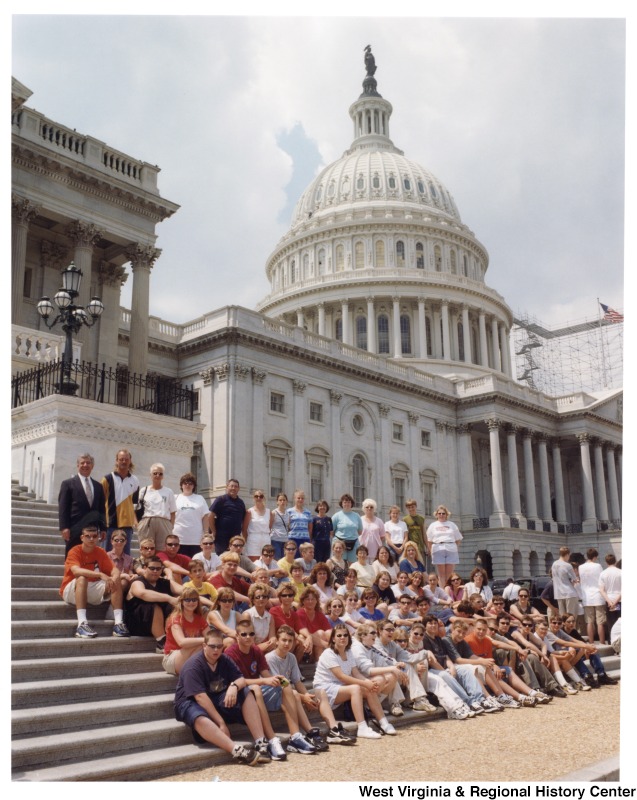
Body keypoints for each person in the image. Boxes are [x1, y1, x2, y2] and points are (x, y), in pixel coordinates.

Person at [173, 627, 269, 767]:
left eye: (219, 646)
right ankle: (237, 750)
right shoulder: (193, 666)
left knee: (245, 691)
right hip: (190, 701)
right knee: (197, 715)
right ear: (204, 646)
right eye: (212, 646)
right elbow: (200, 697)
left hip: (214, 698)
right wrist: (221, 723)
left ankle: (261, 743)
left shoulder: (224, 659)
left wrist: (234, 686)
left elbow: (241, 679)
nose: (216, 650)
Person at [225, 619, 309, 760]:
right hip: (238, 693)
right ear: (237, 636)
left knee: (285, 683)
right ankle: (271, 739)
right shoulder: (230, 653)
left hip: (255, 688)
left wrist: (277, 681)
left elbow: (266, 675)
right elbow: (237, 682)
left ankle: (295, 736)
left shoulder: (256, 650)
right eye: (244, 634)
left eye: (251, 634)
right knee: (257, 688)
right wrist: (264, 681)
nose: (248, 637)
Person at [264, 625, 338, 749]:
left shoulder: (291, 657)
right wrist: (304, 698)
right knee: (295, 694)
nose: (287, 644)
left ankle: (321, 730)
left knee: (316, 693)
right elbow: (280, 683)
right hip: (271, 694)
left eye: (290, 641)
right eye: (284, 640)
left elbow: (297, 682)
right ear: (277, 641)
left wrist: (307, 696)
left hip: (285, 693)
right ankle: (308, 732)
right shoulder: (270, 658)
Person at [312, 624, 391, 739]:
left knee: (368, 688)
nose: (342, 637)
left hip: (341, 687)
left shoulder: (349, 652)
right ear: (333, 639)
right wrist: (364, 683)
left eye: (345, 635)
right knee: (356, 688)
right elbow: (341, 677)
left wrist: (368, 683)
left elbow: (356, 673)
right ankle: (362, 727)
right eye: (339, 635)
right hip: (325, 688)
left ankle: (383, 722)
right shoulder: (328, 653)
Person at [60, 524, 129, 639]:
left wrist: (115, 577)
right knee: (82, 578)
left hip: (93, 587)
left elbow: (114, 570)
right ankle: (82, 624)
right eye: (88, 536)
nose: (91, 539)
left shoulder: (100, 551)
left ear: (98, 538)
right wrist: (100, 574)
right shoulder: (74, 551)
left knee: (118, 580)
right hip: (71, 589)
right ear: (82, 537)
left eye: (94, 536)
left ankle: (118, 623)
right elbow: (76, 571)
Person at [373, 620, 438, 714]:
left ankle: (419, 699)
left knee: (407, 666)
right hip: (379, 678)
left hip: (392, 676)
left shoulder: (393, 645)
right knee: (393, 671)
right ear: (380, 630)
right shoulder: (375, 643)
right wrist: (396, 664)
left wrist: (426, 652)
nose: (391, 632)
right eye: (388, 630)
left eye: (392, 630)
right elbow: (384, 659)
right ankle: (395, 704)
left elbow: (408, 657)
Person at [125, 556, 183, 651]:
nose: (155, 571)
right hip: (137, 624)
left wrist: (210, 603)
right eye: (152, 568)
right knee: (153, 606)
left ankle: (177, 636)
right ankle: (161, 642)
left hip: (158, 623)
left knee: (179, 604)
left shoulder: (165, 583)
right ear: (144, 568)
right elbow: (142, 593)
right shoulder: (138, 582)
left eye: (158, 568)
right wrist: (168, 598)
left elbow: (186, 591)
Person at [58, 453, 106, 555]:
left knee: (90, 559)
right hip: (74, 530)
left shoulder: (98, 486)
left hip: (92, 531)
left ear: (92, 466)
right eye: (82, 463)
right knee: (73, 557)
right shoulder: (68, 484)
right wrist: (64, 527)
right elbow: (63, 508)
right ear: (78, 465)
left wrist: (103, 528)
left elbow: (102, 509)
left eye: (88, 463)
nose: (85, 465)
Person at [350, 624, 401, 718]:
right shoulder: (357, 648)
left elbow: (384, 658)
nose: (375, 636)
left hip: (365, 679)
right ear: (363, 636)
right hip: (355, 682)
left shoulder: (369, 646)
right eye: (372, 633)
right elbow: (368, 670)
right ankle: (371, 707)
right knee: (381, 678)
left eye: (376, 633)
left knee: (392, 676)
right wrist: (391, 668)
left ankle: (370, 707)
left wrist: (395, 665)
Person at [162, 587, 209, 676]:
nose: (191, 602)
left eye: (194, 599)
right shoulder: (175, 618)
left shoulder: (200, 619)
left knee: (209, 646)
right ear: (182, 602)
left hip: (190, 656)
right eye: (187, 599)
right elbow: (182, 642)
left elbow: (211, 638)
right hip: (172, 658)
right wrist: (205, 640)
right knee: (201, 645)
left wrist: (208, 640)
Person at [101, 448, 139, 555]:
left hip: (127, 525)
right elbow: (100, 503)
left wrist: (135, 522)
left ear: (130, 461)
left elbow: (134, 504)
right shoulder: (107, 479)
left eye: (126, 459)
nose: (124, 461)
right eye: (121, 459)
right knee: (107, 556)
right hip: (110, 524)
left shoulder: (135, 480)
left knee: (125, 557)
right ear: (117, 461)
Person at [136, 463, 177, 552]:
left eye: (160, 473)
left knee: (162, 551)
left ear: (163, 476)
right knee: (146, 550)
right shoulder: (144, 490)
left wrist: (171, 526)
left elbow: (173, 512)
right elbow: (137, 509)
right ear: (150, 475)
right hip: (147, 521)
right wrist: (137, 525)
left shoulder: (168, 491)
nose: (157, 475)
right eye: (155, 473)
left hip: (163, 522)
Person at [269, 583, 313, 662]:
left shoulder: (293, 613)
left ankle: (294, 666)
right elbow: (286, 628)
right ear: (280, 597)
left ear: (293, 597)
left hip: (289, 642)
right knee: (294, 638)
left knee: (303, 637)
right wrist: (301, 640)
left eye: (290, 595)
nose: (287, 597)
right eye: (284, 595)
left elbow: (301, 628)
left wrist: (309, 637)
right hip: (277, 642)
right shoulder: (274, 610)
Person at [173, 472, 210, 558]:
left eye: (190, 483)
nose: (188, 485)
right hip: (179, 538)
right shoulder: (175, 498)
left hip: (196, 539)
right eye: (185, 483)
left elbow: (205, 516)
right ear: (181, 485)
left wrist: (206, 532)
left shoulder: (200, 498)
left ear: (194, 486)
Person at [426, 505, 463, 585]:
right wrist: (431, 551)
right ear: (436, 515)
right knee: (441, 575)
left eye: (443, 513)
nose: (441, 515)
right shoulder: (433, 525)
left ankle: (449, 591)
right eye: (439, 513)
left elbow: (458, 539)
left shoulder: (452, 525)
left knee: (449, 575)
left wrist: (455, 547)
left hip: (451, 548)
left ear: (446, 515)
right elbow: (429, 541)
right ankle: (443, 592)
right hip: (438, 548)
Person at [209, 479, 247, 557]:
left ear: (238, 489)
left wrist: (243, 536)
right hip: (221, 537)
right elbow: (210, 516)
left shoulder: (241, 502)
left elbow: (243, 520)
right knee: (222, 558)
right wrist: (214, 531)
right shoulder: (221, 499)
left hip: (235, 538)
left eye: (236, 486)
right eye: (231, 486)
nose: (233, 488)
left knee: (235, 558)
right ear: (227, 487)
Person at [578, 548, 606, 645]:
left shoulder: (580, 567)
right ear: (595, 557)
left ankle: (591, 642)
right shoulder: (598, 566)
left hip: (586, 596)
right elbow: (602, 579)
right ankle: (602, 642)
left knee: (589, 622)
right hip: (598, 595)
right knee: (600, 622)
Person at [296, 585, 332, 660]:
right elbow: (303, 633)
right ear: (303, 601)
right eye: (307, 599)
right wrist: (327, 645)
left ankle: (319, 664)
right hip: (304, 648)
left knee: (325, 633)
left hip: (316, 648)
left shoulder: (320, 615)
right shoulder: (299, 613)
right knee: (305, 636)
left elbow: (329, 630)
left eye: (313, 599)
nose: (310, 601)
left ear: (316, 601)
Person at [242, 582, 276, 653]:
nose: (261, 599)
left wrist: (272, 641)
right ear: (253, 600)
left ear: (267, 599)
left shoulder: (270, 617)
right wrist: (263, 647)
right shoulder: (247, 615)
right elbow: (247, 639)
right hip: (249, 648)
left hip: (265, 646)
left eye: (264, 597)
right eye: (258, 597)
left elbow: (272, 636)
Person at [331, 494, 363, 564]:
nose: (347, 504)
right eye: (345, 502)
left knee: (353, 564)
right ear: (341, 504)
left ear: (351, 504)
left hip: (354, 543)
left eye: (349, 502)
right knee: (339, 563)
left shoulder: (357, 516)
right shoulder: (336, 516)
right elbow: (331, 532)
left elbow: (360, 531)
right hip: (340, 543)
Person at [242, 489, 274, 560]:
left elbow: (269, 527)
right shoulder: (249, 512)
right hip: (253, 538)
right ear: (253, 498)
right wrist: (247, 540)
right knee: (253, 560)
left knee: (266, 559)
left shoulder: (269, 512)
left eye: (261, 496)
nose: (258, 498)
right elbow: (244, 529)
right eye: (256, 496)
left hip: (266, 538)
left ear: (263, 498)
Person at [551, 546, 580, 617]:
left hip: (559, 593)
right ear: (567, 555)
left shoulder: (554, 564)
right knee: (571, 617)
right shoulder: (568, 565)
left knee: (563, 617)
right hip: (570, 593)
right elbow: (575, 579)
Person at [106, 529, 135, 593]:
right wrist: (122, 575)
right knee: (122, 582)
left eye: (122, 540)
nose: (119, 542)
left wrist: (132, 576)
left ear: (125, 542)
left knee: (125, 582)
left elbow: (130, 572)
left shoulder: (129, 558)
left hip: (124, 584)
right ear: (111, 541)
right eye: (116, 540)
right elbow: (105, 574)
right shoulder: (106, 556)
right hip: (109, 581)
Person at [286, 489, 313, 557]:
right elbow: (287, 526)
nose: (300, 500)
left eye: (302, 498)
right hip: (293, 538)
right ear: (294, 499)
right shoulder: (289, 511)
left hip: (305, 539)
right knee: (293, 558)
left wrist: (309, 540)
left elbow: (310, 528)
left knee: (304, 558)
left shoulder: (308, 512)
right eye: (298, 498)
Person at [599, 553, 621, 632]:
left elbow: (601, 590)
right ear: (615, 561)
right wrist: (615, 602)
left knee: (611, 621)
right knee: (620, 621)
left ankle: (611, 640)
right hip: (619, 600)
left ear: (606, 562)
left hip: (609, 600)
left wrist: (609, 602)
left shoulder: (603, 573)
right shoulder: (621, 572)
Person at [359, 499, 385, 563]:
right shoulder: (359, 520)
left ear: (374, 509)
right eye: (367, 507)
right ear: (364, 508)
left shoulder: (379, 521)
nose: (369, 508)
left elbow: (382, 536)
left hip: (375, 549)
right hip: (363, 549)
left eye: (371, 507)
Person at [403, 500, 427, 565]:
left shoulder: (421, 519)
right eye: (409, 507)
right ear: (407, 508)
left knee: (421, 566)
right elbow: (405, 535)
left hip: (420, 547)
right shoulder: (405, 520)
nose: (411, 509)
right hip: (410, 548)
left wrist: (427, 547)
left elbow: (424, 534)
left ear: (416, 507)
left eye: (412, 507)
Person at [311, 499, 333, 563]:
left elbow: (331, 532)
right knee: (317, 561)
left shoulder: (329, 519)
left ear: (326, 508)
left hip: (326, 543)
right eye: (320, 506)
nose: (322, 507)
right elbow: (311, 531)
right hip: (317, 543)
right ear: (317, 507)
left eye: (324, 506)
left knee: (326, 561)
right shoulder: (314, 519)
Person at [270, 493, 291, 560]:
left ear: (286, 501)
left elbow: (288, 527)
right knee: (277, 559)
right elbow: (269, 526)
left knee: (284, 559)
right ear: (277, 502)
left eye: (284, 500)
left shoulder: (288, 514)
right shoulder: (274, 513)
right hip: (275, 539)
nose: (282, 502)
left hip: (285, 540)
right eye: (280, 500)